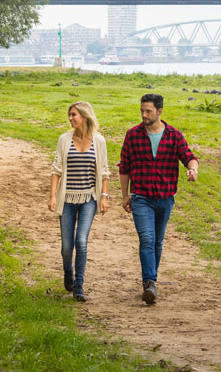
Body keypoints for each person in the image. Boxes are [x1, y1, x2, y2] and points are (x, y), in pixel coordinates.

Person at [119, 93, 198, 305]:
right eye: (142, 111)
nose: (144, 115)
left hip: (165, 197)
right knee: (146, 238)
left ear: (159, 111)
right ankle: (150, 283)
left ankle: (151, 279)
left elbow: (189, 157)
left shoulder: (174, 135)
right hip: (141, 197)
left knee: (157, 241)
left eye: (148, 111)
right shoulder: (133, 135)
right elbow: (124, 166)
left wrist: (192, 170)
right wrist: (125, 195)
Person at [49, 101, 111, 302]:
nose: (70, 118)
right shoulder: (64, 140)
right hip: (66, 198)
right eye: (69, 115)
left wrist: (104, 197)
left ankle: (79, 286)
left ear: (84, 116)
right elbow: (56, 169)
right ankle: (68, 271)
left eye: (74, 115)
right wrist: (52, 196)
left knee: (81, 242)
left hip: (88, 199)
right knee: (67, 247)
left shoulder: (99, 141)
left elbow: (104, 171)